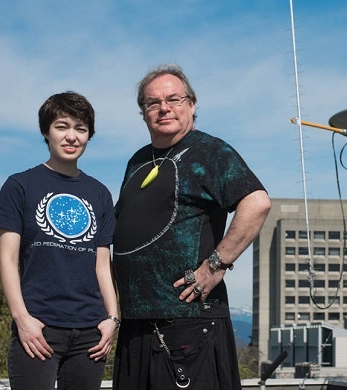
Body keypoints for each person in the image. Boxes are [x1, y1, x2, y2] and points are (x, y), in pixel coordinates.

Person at [112, 64, 271, 390]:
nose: (163, 108)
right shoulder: (137, 161)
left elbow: (256, 203)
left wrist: (216, 264)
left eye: (173, 99)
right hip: (135, 328)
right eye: (152, 103)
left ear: (192, 105)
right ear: (143, 113)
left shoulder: (210, 151)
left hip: (188, 326)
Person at [0, 92, 119, 390]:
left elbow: (102, 264)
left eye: (80, 128)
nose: (71, 136)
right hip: (38, 328)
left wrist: (112, 319)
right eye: (62, 126)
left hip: (91, 332)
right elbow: (8, 259)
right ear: (46, 131)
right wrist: (22, 318)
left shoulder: (100, 193)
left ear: (89, 135)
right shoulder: (20, 185)